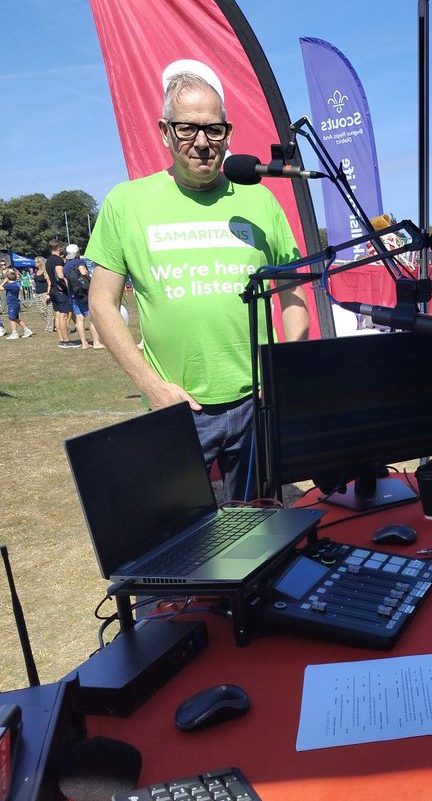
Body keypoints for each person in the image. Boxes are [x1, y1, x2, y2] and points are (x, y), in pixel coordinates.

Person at [86, 70, 309, 502]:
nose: (203, 141)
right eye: (188, 128)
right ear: (165, 132)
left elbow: (293, 293)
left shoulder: (260, 199)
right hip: (177, 407)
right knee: (180, 541)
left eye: (214, 128)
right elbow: (102, 304)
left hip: (256, 404)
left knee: (261, 528)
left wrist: (282, 368)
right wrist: (151, 386)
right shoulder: (126, 202)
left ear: (227, 133)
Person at [62, 244, 102, 350]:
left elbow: (66, 281)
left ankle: (84, 343)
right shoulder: (79, 262)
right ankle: (96, 342)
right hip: (84, 293)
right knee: (92, 318)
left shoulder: (65, 266)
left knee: (79, 319)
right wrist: (90, 278)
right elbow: (84, 272)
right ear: (77, 252)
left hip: (73, 294)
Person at [46, 240, 79, 349]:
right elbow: (60, 275)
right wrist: (66, 285)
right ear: (59, 248)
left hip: (53, 290)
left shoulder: (48, 260)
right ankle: (66, 340)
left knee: (59, 315)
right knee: (64, 316)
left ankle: (61, 339)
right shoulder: (57, 260)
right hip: (60, 291)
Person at [2, 268, 33, 339]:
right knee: (16, 318)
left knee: (11, 318)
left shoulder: (10, 285)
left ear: (7, 278)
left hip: (12, 304)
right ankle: (26, 330)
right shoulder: (15, 284)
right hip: (15, 303)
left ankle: (14, 332)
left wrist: (4, 281)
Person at [32, 257, 54, 332]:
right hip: (38, 293)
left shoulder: (45, 272)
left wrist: (48, 294)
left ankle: (50, 327)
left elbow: (49, 283)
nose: (35, 263)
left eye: (36, 262)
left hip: (44, 293)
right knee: (41, 311)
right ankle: (48, 324)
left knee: (48, 310)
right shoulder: (36, 271)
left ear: (40, 262)